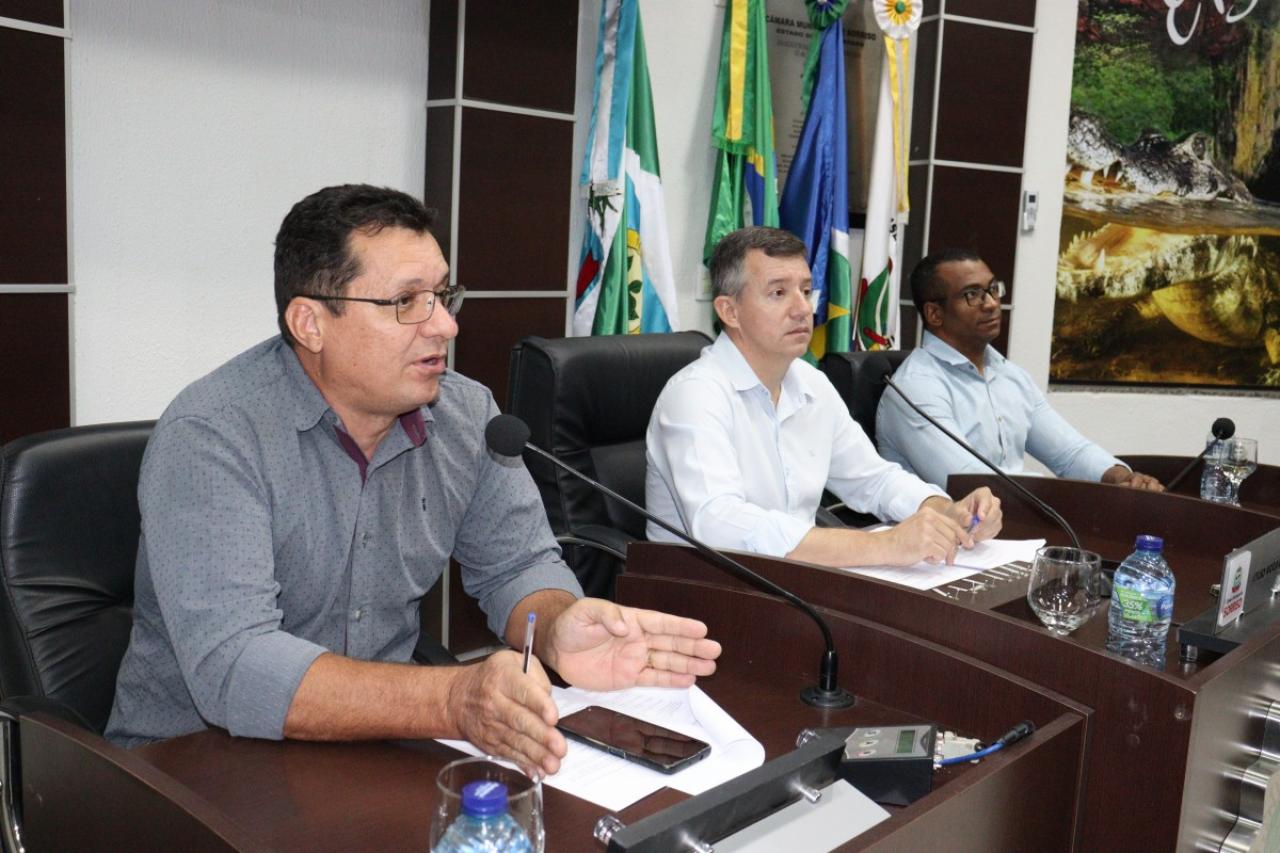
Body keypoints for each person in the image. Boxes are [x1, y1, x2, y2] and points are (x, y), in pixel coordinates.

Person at [106, 184, 720, 778]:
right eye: (406, 302)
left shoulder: (466, 415)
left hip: (374, 752)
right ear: (310, 323)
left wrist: (558, 627)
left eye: (443, 296)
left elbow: (516, 566)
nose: (445, 326)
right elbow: (237, 668)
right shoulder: (212, 435)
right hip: (193, 770)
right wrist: (453, 698)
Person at [644, 226, 1002, 570]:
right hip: (704, 590)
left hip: (796, 583)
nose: (803, 309)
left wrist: (945, 510)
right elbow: (718, 524)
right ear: (729, 311)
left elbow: (873, 479)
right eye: (778, 293)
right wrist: (885, 545)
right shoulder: (695, 395)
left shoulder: (811, 384)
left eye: (805, 290)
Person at [876, 249, 1163, 492]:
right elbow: (969, 483)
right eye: (972, 295)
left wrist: (1121, 478)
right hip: (943, 534)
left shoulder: (1010, 376)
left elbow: (1069, 453)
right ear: (934, 313)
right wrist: (1057, 495)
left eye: (992, 289)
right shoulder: (915, 388)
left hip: (1013, 525)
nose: (991, 304)